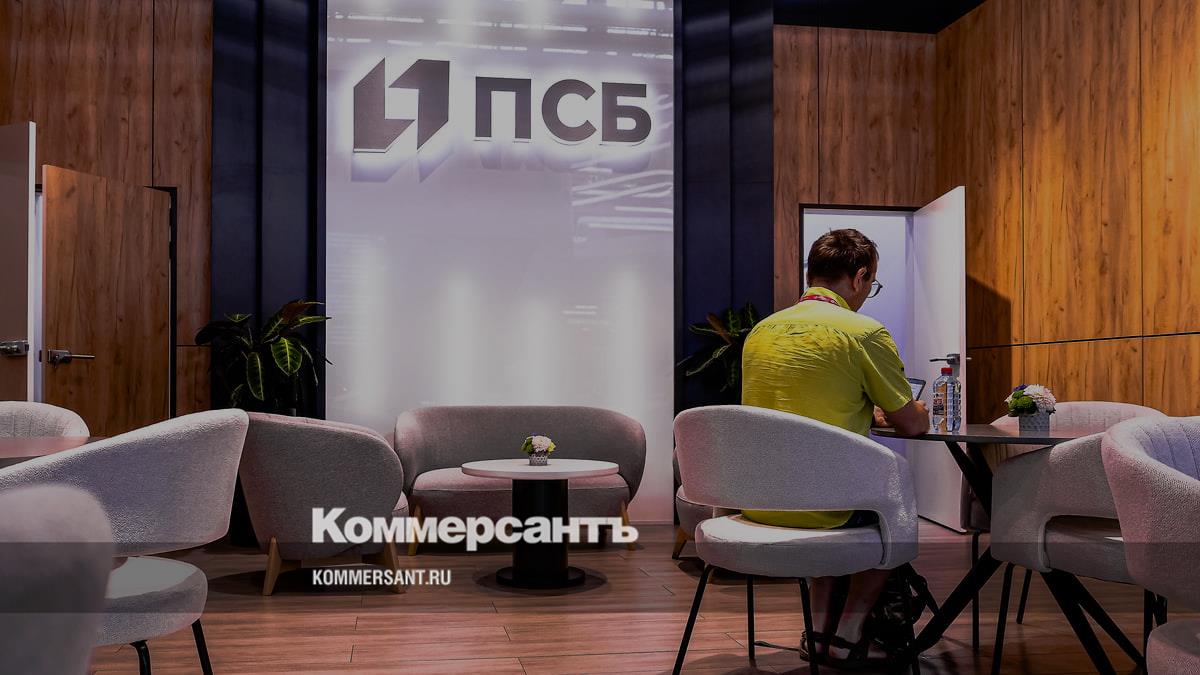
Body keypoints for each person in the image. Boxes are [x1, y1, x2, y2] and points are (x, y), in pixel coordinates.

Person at [740, 228, 929, 667]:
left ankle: (818, 633)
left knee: (827, 484)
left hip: (759, 503)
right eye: (871, 284)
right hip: (827, 508)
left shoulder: (760, 331)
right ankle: (847, 634)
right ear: (860, 277)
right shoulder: (864, 332)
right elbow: (911, 423)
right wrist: (913, 408)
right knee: (892, 505)